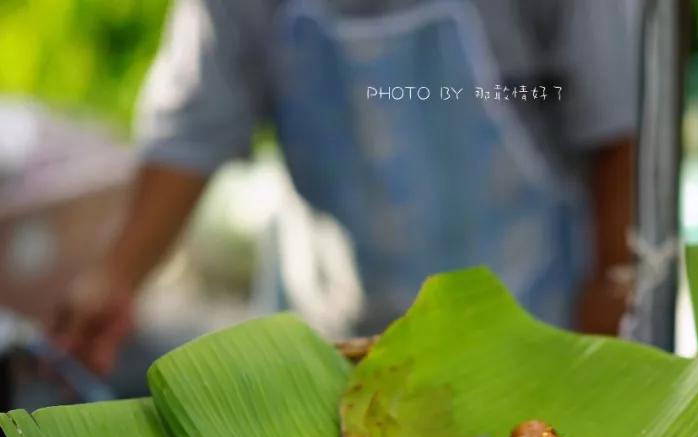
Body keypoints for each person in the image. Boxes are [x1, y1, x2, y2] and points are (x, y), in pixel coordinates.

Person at [51, 0, 640, 375]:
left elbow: (620, 129)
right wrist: (116, 274)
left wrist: (610, 309)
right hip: (333, 342)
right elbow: (191, 129)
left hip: (531, 329)